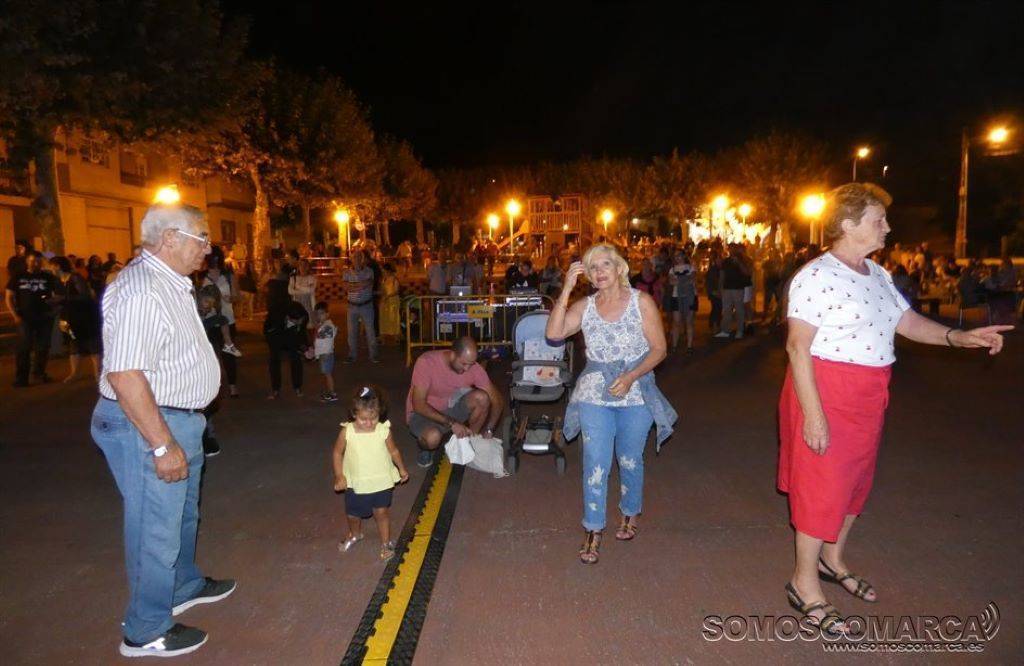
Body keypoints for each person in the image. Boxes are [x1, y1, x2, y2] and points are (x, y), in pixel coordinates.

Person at [778, 183, 1011, 636]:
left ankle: (832, 560)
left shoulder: (877, 273)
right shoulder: (816, 276)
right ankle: (803, 582)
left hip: (869, 391)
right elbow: (797, 346)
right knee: (822, 487)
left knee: (854, 484)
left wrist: (957, 337)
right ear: (848, 224)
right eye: (878, 219)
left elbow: (904, 320)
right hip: (827, 389)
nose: (887, 226)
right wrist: (815, 415)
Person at [89, 204, 235, 658]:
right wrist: (161, 444)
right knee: (155, 528)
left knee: (182, 515)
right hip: (149, 424)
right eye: (202, 238)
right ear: (170, 238)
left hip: (179, 419)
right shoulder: (141, 289)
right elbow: (125, 374)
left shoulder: (171, 282)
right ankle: (145, 628)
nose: (208, 248)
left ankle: (182, 585)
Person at [546, 244, 676, 565]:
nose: (599, 272)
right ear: (588, 276)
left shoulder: (641, 302)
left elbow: (659, 349)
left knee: (629, 459)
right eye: (593, 268)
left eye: (605, 264)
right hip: (594, 393)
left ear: (619, 268)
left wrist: (631, 376)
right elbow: (554, 333)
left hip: (636, 392)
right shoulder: (585, 306)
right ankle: (593, 528)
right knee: (596, 461)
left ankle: (630, 511)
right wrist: (566, 289)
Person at [332, 386, 410, 562]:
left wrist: (401, 467)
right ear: (354, 414)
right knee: (353, 514)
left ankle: (386, 542)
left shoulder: (383, 430)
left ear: (379, 414)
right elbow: (337, 453)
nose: (368, 423)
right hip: (356, 482)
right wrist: (339, 475)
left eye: (373, 418)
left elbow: (393, 451)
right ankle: (355, 534)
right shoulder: (347, 432)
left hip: (381, 481)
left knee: (381, 513)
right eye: (363, 419)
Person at [406, 336, 503, 468]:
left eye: (471, 364)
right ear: (452, 354)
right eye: (464, 364)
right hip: (422, 414)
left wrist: (490, 429)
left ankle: (470, 442)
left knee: (482, 398)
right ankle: (426, 449)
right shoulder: (426, 362)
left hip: (449, 408)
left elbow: (497, 399)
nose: (467, 368)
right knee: (432, 438)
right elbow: (418, 405)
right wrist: (452, 424)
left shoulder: (472, 367)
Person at [5, 252, 58, 387]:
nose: (36, 264)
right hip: (25, 317)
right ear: (27, 261)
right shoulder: (18, 276)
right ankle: (22, 378)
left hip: (44, 316)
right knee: (24, 347)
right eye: (33, 261)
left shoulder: (48, 277)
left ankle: (39, 374)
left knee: (43, 347)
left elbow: (58, 294)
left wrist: (54, 310)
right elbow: (9, 297)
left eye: (38, 261)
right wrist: (15, 315)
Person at [50, 256, 101, 383]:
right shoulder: (58, 281)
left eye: (52, 266)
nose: (51, 269)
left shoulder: (75, 278)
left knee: (92, 344)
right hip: (69, 317)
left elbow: (85, 296)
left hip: (84, 317)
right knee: (74, 344)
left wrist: (63, 299)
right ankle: (74, 373)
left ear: (58, 266)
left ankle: (98, 373)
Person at [265, 300, 309, 399]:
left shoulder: (304, 316)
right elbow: (268, 332)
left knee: (296, 358)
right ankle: (275, 389)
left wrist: (306, 348)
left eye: (301, 320)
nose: (300, 322)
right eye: (297, 321)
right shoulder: (276, 317)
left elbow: (302, 333)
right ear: (288, 317)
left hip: (292, 335)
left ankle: (297, 387)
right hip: (275, 335)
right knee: (274, 360)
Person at [200, 255, 242, 359]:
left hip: (228, 319)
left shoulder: (228, 276)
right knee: (212, 356)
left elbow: (238, 296)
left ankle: (229, 346)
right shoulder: (201, 277)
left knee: (229, 359)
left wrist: (231, 298)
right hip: (209, 320)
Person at [342, 250, 379, 364]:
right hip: (352, 306)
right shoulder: (346, 272)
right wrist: (360, 285)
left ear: (363, 259)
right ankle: (352, 355)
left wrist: (353, 286)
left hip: (366, 306)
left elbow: (367, 284)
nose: (357, 259)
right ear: (351, 259)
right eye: (355, 257)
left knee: (370, 332)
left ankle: (373, 355)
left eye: (359, 257)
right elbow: (346, 287)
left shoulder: (369, 271)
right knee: (351, 333)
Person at [716, 243, 751, 339]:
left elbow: (747, 273)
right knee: (726, 310)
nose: (731, 251)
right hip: (727, 288)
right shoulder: (726, 261)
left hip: (738, 288)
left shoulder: (742, 260)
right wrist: (720, 288)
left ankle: (740, 330)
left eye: (733, 249)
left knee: (739, 309)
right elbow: (722, 275)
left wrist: (739, 263)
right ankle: (725, 330)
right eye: (729, 249)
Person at [667, 249, 698, 353]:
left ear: (684, 256)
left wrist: (679, 280)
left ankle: (689, 346)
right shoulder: (672, 269)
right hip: (676, 296)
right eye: (675, 256)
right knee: (676, 322)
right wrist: (686, 279)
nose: (677, 258)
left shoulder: (691, 267)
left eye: (679, 255)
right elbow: (672, 282)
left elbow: (693, 279)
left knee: (689, 321)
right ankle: (674, 346)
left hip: (690, 296)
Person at [312, 301, 338, 402]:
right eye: (317, 314)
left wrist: (317, 328)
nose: (319, 316)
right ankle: (330, 392)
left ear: (327, 314)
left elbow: (317, 337)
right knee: (326, 374)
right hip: (324, 354)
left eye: (321, 313)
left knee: (328, 375)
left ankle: (332, 393)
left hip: (326, 355)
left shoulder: (328, 326)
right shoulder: (323, 325)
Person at [288, 259, 318, 335]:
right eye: (301, 265)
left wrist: (297, 287)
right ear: (298, 267)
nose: (303, 267)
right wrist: (304, 290)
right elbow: (290, 291)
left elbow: (311, 290)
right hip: (297, 306)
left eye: (305, 265)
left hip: (309, 306)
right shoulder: (293, 278)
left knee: (310, 329)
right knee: (297, 330)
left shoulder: (312, 278)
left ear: (308, 267)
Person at [379, 263, 402, 344]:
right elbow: (382, 290)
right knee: (383, 319)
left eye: (384, 271)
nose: (383, 272)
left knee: (394, 318)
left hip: (393, 301)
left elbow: (396, 291)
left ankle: (396, 336)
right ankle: (383, 337)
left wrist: (388, 296)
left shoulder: (394, 279)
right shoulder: (384, 279)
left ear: (388, 271)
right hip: (385, 301)